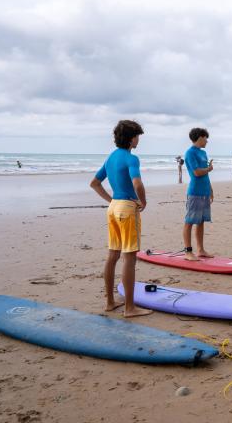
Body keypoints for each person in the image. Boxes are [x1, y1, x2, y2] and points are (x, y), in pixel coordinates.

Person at [89, 120, 152, 318]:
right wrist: (143, 201)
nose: (138, 140)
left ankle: (109, 302)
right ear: (132, 138)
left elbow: (94, 183)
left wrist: (111, 200)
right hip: (127, 209)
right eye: (138, 136)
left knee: (112, 255)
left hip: (113, 207)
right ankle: (130, 308)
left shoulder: (111, 157)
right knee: (129, 258)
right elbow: (137, 183)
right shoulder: (131, 158)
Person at [183, 128, 215, 261]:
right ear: (200, 137)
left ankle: (201, 250)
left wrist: (211, 189)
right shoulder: (190, 153)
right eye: (205, 138)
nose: (207, 141)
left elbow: (205, 174)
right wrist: (209, 169)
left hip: (205, 191)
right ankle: (188, 252)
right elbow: (196, 172)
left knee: (201, 221)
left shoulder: (204, 153)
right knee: (189, 222)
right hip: (195, 192)